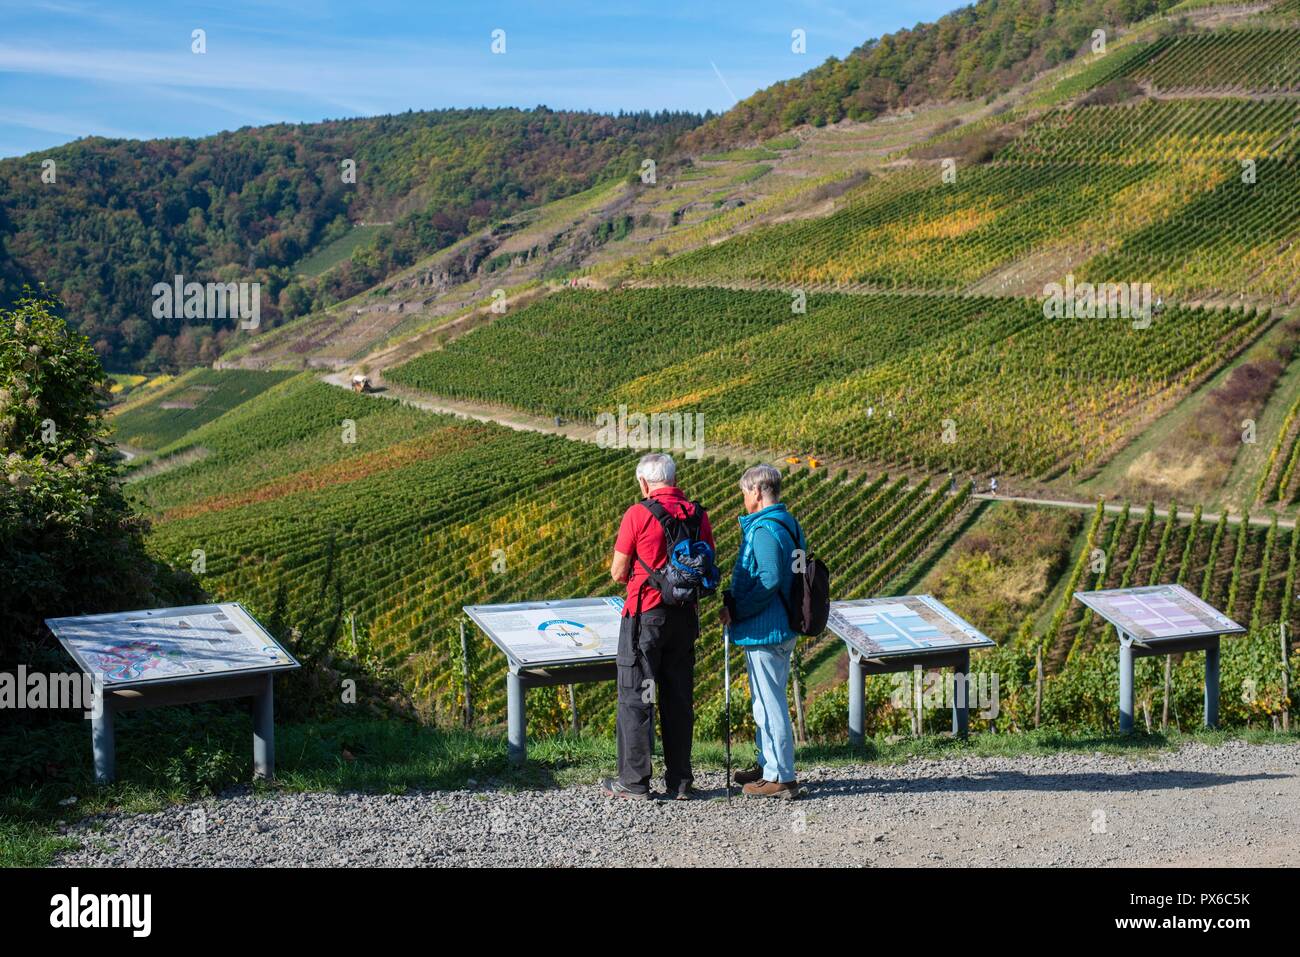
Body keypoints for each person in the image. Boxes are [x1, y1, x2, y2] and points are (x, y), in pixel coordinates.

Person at [603, 452, 714, 800]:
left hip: (645, 617)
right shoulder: (698, 515)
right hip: (685, 619)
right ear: (674, 479)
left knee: (638, 695)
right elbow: (707, 562)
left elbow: (618, 572)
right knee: (678, 698)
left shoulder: (638, 514)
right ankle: (680, 782)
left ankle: (634, 781)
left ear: (643, 482)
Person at [720, 464, 803, 800]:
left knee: (770, 704)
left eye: (744, 492)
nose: (743, 499)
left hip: (766, 629)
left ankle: (781, 776)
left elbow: (768, 579)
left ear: (755, 492)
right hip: (783, 624)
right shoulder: (790, 524)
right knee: (768, 701)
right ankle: (768, 763)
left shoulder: (766, 530)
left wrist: (737, 609)